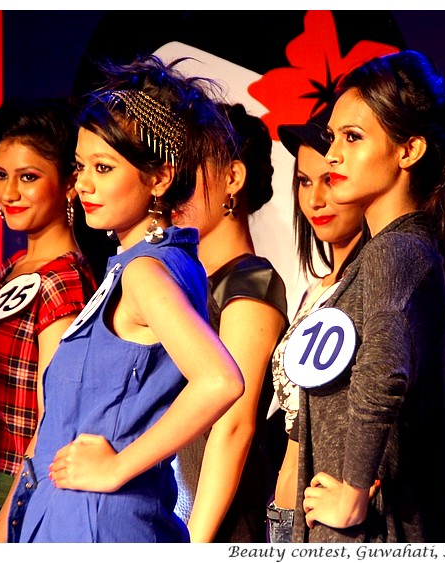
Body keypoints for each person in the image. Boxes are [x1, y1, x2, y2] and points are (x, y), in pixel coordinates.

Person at [0, 55, 244, 543]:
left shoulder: (147, 271)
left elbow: (221, 379)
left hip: (100, 526)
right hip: (72, 519)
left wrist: (118, 467)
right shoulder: (137, 265)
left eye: (103, 168)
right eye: (81, 166)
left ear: (160, 178)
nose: (83, 183)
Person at [291, 50, 445, 542]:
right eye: (333, 138)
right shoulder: (393, 251)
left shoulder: (397, 248)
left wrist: (349, 490)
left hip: (371, 527)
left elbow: (384, 366)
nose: (333, 156)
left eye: (353, 137)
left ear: (409, 150)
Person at [0, 97, 97, 543]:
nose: (9, 192)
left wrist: (4, 523)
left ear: (70, 182)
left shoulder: (64, 281)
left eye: (28, 177)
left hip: (12, 490)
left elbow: (55, 418)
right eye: (0, 174)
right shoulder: (15, 265)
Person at [171, 102, 288, 542]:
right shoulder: (185, 285)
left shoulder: (252, 280)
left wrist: (192, 543)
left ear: (233, 179)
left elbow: (234, 426)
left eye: (186, 170)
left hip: (219, 524)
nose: (170, 187)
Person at [266, 103, 368, 542]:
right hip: (282, 516)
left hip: (332, 524)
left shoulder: (376, 284)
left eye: (329, 179)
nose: (314, 199)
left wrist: (361, 492)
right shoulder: (313, 289)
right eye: (304, 182)